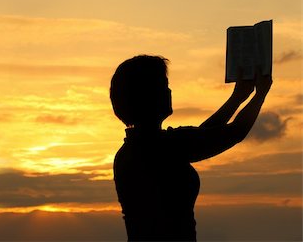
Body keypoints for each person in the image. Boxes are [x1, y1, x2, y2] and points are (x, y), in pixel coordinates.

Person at [110, 55, 272, 241]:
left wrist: (238, 97)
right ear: (148, 95)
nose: (169, 91)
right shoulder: (163, 146)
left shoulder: (135, 149)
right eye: (163, 85)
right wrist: (261, 93)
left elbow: (203, 134)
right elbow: (234, 132)